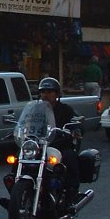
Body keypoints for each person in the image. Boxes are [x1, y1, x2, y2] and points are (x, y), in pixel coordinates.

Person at [36, 76, 80, 206]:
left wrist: (75, 129)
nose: (45, 95)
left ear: (56, 94)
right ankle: (16, 191)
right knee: (18, 157)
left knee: (70, 157)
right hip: (39, 145)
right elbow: (27, 122)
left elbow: (75, 121)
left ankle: (71, 193)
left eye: (49, 92)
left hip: (59, 146)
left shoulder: (65, 109)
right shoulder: (35, 109)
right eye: (43, 92)